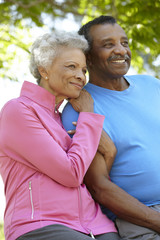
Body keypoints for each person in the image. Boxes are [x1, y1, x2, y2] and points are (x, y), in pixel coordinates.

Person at [0, 31, 121, 240]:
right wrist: (89, 117)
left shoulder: (66, 117)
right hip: (40, 224)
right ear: (44, 70)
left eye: (83, 70)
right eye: (71, 66)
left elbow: (89, 178)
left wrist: (108, 152)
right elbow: (71, 173)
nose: (80, 76)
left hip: (96, 225)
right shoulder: (18, 111)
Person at [62, 15, 160, 239]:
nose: (120, 50)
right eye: (108, 45)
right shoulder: (80, 109)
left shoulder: (153, 86)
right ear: (87, 57)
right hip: (141, 220)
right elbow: (99, 187)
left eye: (124, 43)